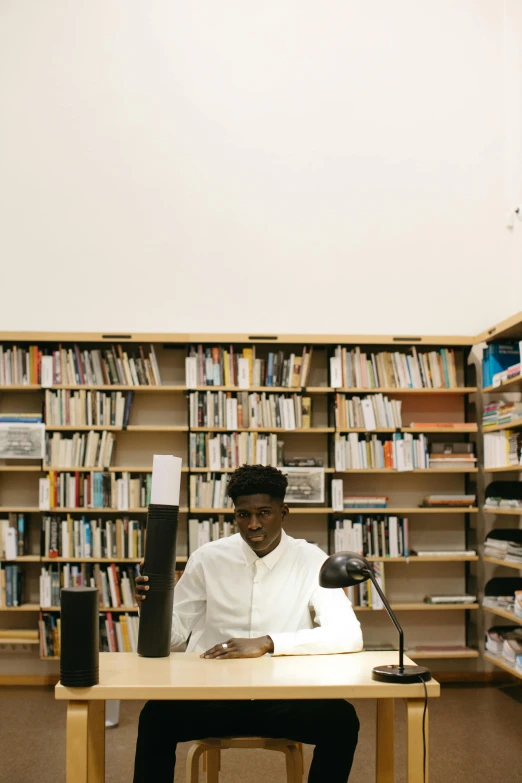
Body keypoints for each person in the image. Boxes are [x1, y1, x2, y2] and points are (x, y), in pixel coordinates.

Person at [133, 464, 363, 783]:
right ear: (235, 514)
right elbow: (171, 639)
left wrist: (269, 642)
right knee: (155, 717)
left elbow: (348, 635)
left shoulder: (312, 560)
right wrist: (150, 604)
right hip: (212, 698)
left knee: (342, 720)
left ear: (284, 512)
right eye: (243, 515)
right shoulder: (207, 558)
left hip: (283, 699)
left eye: (264, 512)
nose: (253, 524)